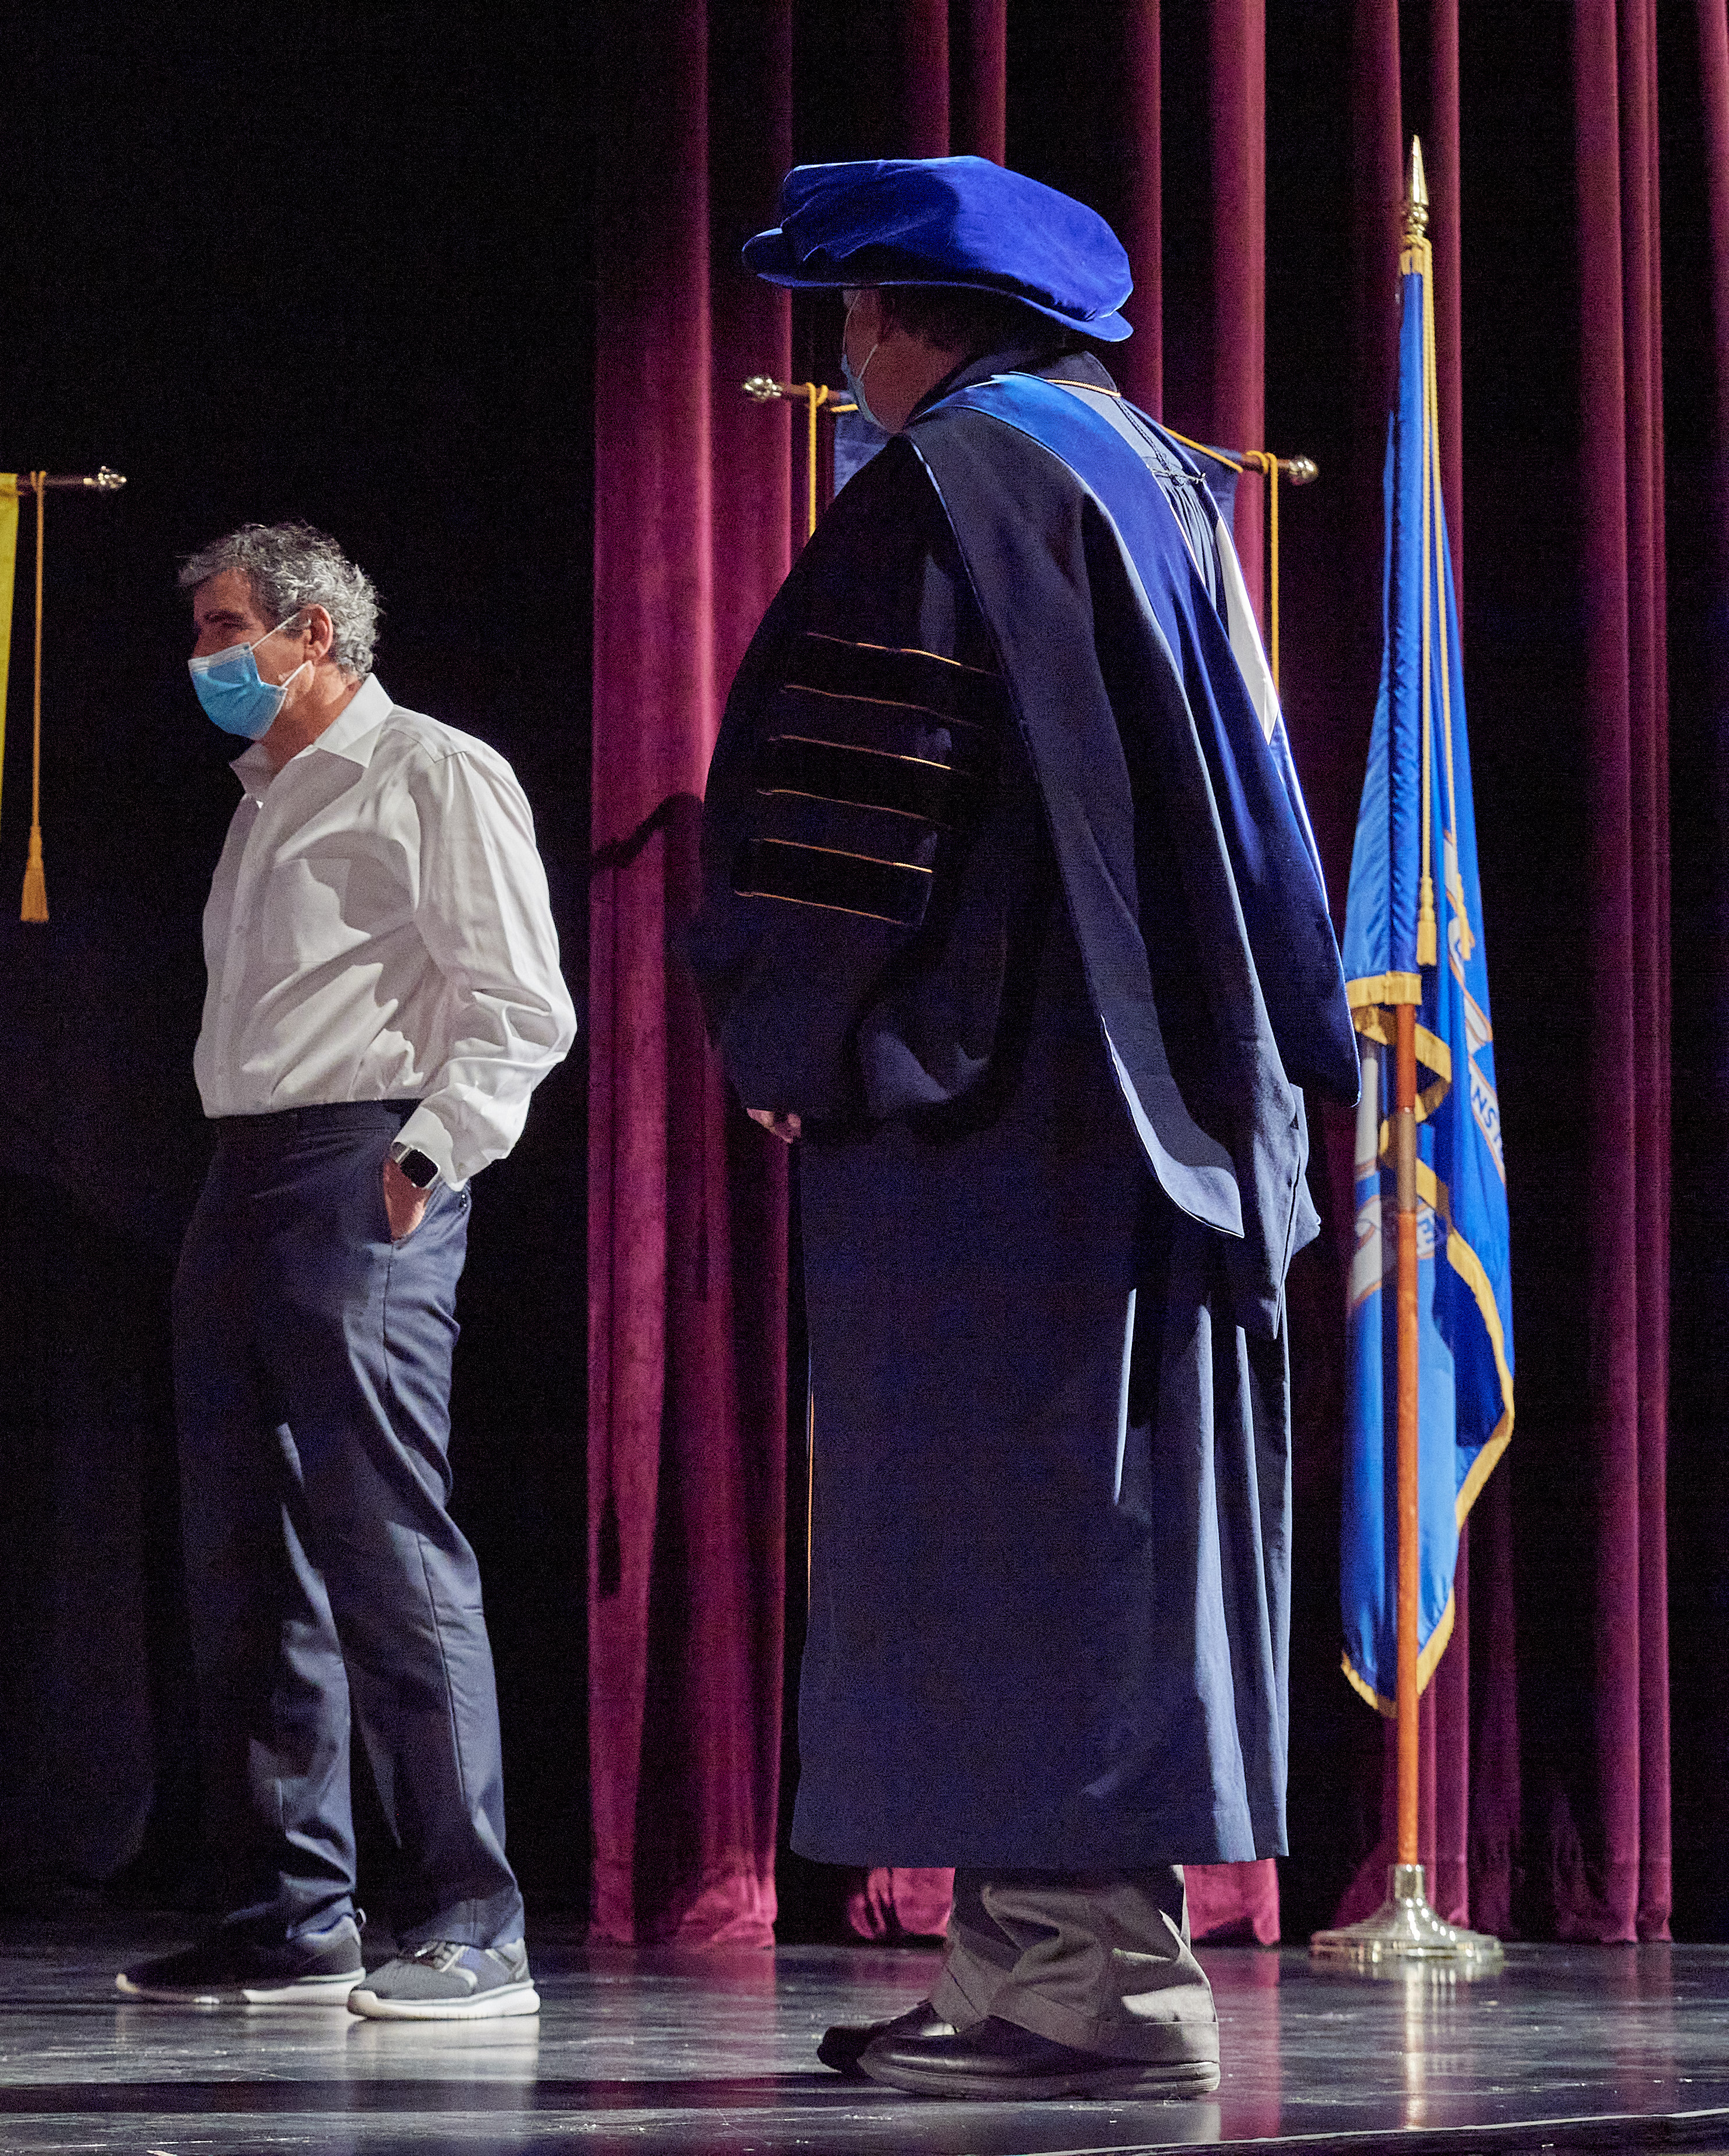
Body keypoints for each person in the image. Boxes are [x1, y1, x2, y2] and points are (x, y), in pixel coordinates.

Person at [685, 159, 1356, 2098]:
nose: (844, 360)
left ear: (901, 319)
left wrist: (793, 1028)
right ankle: (1016, 1964)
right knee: (1068, 1542)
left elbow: (858, 803)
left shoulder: (945, 489)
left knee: (1020, 1543)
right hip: (1157, 1112)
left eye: (848, 322)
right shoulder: (1157, 482)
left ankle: (1090, 1989)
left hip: (1007, 1129)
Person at [117, 523, 574, 2021]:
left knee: (387, 1545)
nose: (206, 661)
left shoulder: (434, 770)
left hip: (363, 1165)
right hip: (243, 1174)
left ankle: (471, 1916)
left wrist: (429, 1160)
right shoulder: (260, 802)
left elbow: (519, 1002)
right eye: (197, 635)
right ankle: (293, 1909)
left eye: (227, 628)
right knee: (245, 1556)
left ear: (315, 634)